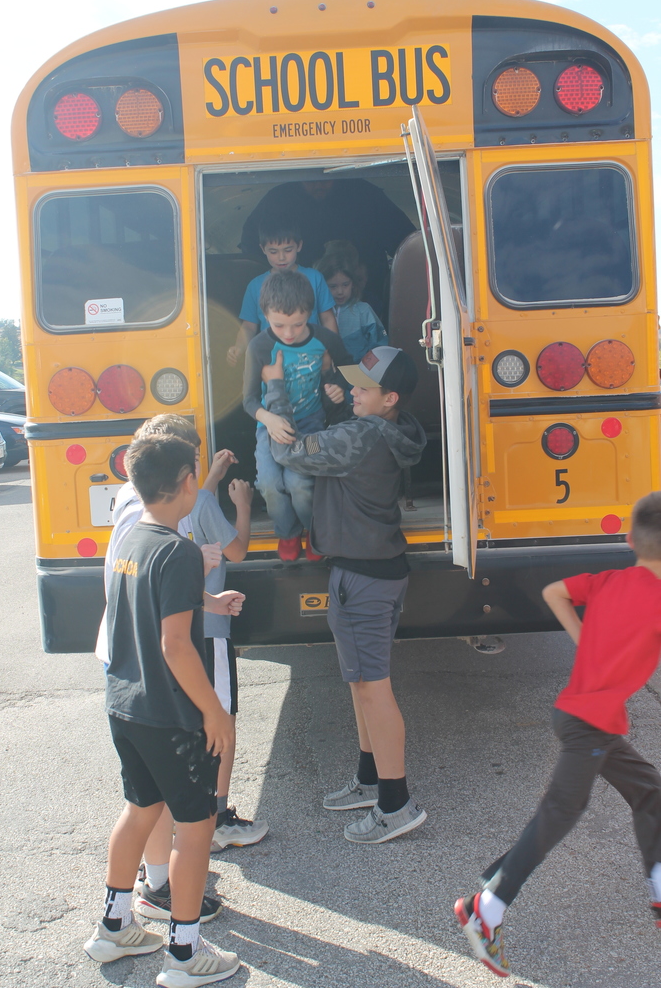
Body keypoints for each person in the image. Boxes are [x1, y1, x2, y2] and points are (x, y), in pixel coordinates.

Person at [455, 491, 661, 978]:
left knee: (650, 792)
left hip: (586, 719)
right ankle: (487, 907)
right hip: (591, 725)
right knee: (561, 811)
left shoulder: (609, 580)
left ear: (629, 540)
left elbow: (554, 592)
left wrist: (584, 640)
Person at [84, 433, 245, 986]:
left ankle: (114, 928)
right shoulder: (179, 550)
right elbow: (176, 646)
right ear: (185, 482)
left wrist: (207, 599)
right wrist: (214, 713)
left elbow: (146, 602)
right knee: (195, 828)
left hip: (125, 705)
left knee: (139, 810)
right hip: (171, 716)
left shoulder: (131, 536)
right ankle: (184, 955)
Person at [261, 344, 428, 842]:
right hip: (377, 571)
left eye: (364, 387)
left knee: (373, 688)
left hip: (362, 578)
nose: (353, 390)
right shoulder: (393, 430)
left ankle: (396, 805)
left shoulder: (358, 436)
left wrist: (274, 396)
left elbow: (287, 451)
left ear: (389, 398)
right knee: (362, 684)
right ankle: (369, 780)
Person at [243, 268, 352, 562]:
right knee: (269, 484)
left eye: (298, 324)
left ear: (310, 314)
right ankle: (288, 532)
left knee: (300, 483)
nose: (289, 334)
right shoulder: (259, 346)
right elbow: (249, 400)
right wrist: (268, 419)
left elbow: (350, 370)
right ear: (265, 314)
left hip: (311, 423)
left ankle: (314, 533)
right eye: (279, 325)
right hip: (270, 425)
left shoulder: (325, 339)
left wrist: (339, 387)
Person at [239, 179, 416, 321]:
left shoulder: (366, 195)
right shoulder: (278, 200)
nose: (318, 185)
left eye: (325, 180)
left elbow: (408, 246)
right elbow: (250, 249)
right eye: (310, 181)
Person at [227, 217, 337, 366]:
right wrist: (239, 347)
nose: (281, 257)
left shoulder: (315, 278)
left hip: (311, 362)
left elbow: (328, 319)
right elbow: (248, 326)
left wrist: (334, 352)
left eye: (288, 250)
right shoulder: (255, 286)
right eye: (273, 251)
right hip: (271, 364)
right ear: (263, 249)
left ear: (299, 246)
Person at [315, 240, 388, 363]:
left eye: (345, 284)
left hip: (359, 371)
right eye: (333, 286)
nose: (340, 291)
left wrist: (370, 368)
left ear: (353, 283)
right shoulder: (316, 312)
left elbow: (380, 345)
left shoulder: (363, 310)